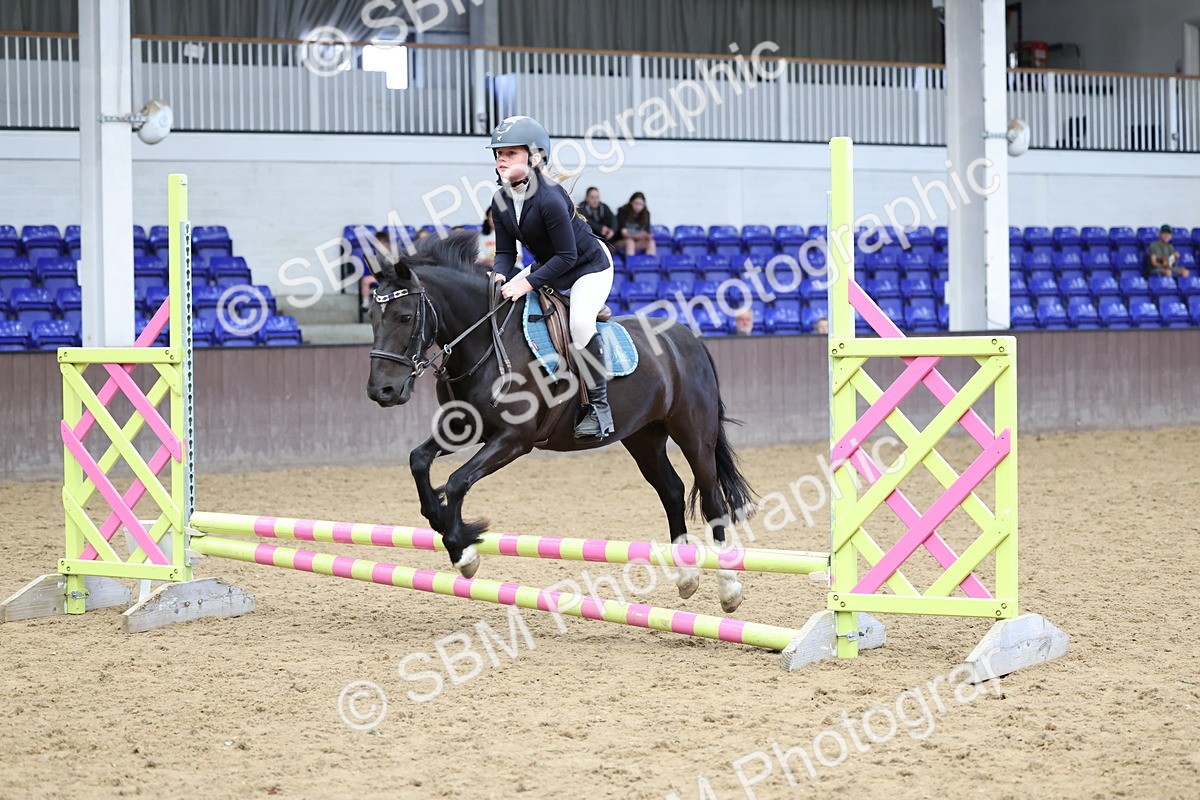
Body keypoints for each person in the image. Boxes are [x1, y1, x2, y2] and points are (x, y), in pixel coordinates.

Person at [486, 115, 616, 441]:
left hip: (588, 267)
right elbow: (505, 254)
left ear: (535, 157)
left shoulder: (550, 198)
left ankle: (599, 409)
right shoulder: (500, 200)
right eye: (499, 153)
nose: (502, 159)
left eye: (511, 153)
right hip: (550, 263)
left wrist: (525, 282)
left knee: (581, 325)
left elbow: (568, 257)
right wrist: (500, 277)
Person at [615, 192, 657, 256]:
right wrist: (638, 235)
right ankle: (630, 264)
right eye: (636, 203)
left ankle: (647, 264)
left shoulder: (646, 214)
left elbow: (647, 232)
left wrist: (648, 235)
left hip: (637, 241)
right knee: (630, 242)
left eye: (641, 204)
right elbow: (624, 234)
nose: (638, 207)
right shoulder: (622, 212)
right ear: (631, 203)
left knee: (651, 242)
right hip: (621, 241)